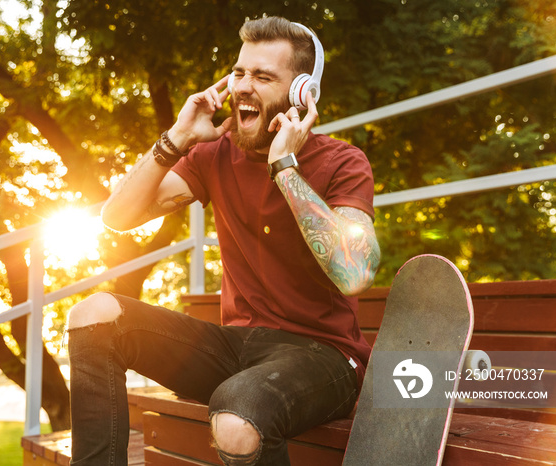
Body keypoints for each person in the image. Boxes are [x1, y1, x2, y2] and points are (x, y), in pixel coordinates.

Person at [67, 16, 380, 466]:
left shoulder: (343, 162)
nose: (242, 87)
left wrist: (285, 167)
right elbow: (117, 217)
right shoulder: (213, 155)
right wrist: (177, 137)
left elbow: (354, 274)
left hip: (325, 357)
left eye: (263, 76)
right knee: (93, 315)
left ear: (301, 94)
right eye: (238, 72)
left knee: (236, 417)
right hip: (235, 349)